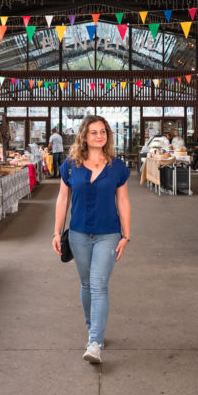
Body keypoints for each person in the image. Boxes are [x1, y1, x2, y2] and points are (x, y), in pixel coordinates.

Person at [52, 115, 131, 365]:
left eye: (103, 132)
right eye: (94, 132)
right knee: (86, 285)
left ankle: (95, 342)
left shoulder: (116, 167)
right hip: (78, 234)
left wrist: (126, 235)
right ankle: (92, 330)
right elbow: (62, 199)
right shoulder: (71, 165)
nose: (99, 136)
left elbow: (123, 201)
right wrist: (57, 231)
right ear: (84, 136)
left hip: (108, 233)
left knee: (98, 284)